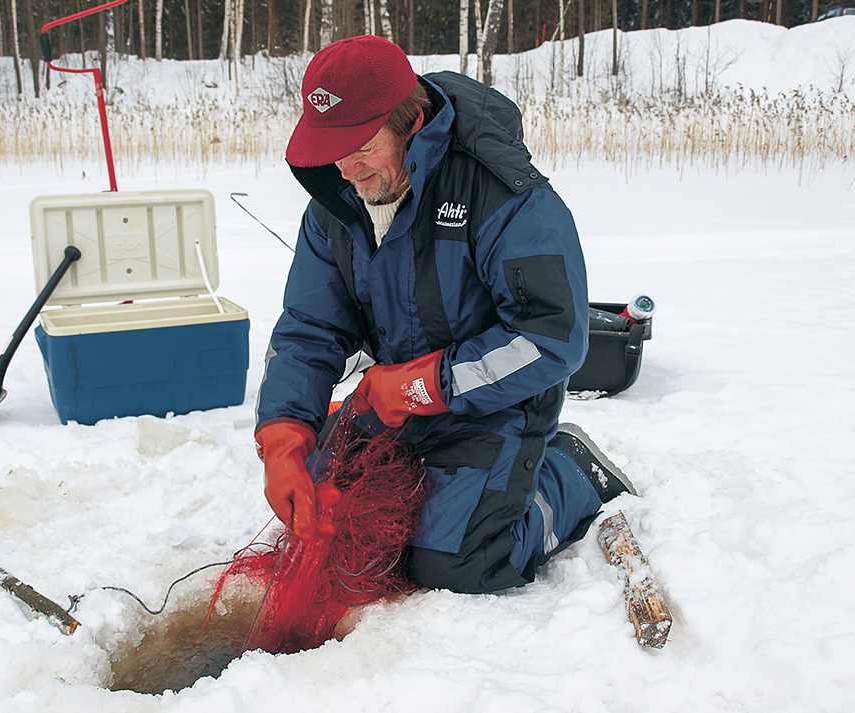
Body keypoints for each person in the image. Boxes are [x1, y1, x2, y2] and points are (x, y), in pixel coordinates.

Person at [253, 35, 635, 594]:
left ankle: (567, 473)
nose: (346, 168)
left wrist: (416, 387)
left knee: (455, 563)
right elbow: (309, 329)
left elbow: (553, 336)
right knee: (330, 534)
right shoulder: (334, 206)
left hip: (494, 405)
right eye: (334, 147)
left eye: (360, 145)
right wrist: (284, 436)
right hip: (388, 405)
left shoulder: (502, 192)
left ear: (409, 119)